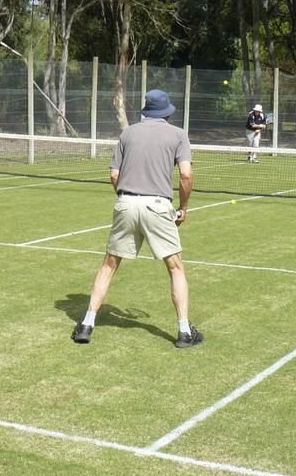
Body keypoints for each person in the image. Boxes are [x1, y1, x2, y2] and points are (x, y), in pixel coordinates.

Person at [71, 89, 202, 348]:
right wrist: (183, 208)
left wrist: (125, 198)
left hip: (126, 203)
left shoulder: (127, 133)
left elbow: (113, 175)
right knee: (175, 267)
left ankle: (86, 324)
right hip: (158, 205)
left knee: (109, 264)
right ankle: (185, 332)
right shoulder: (178, 135)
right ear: (167, 112)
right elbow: (186, 175)